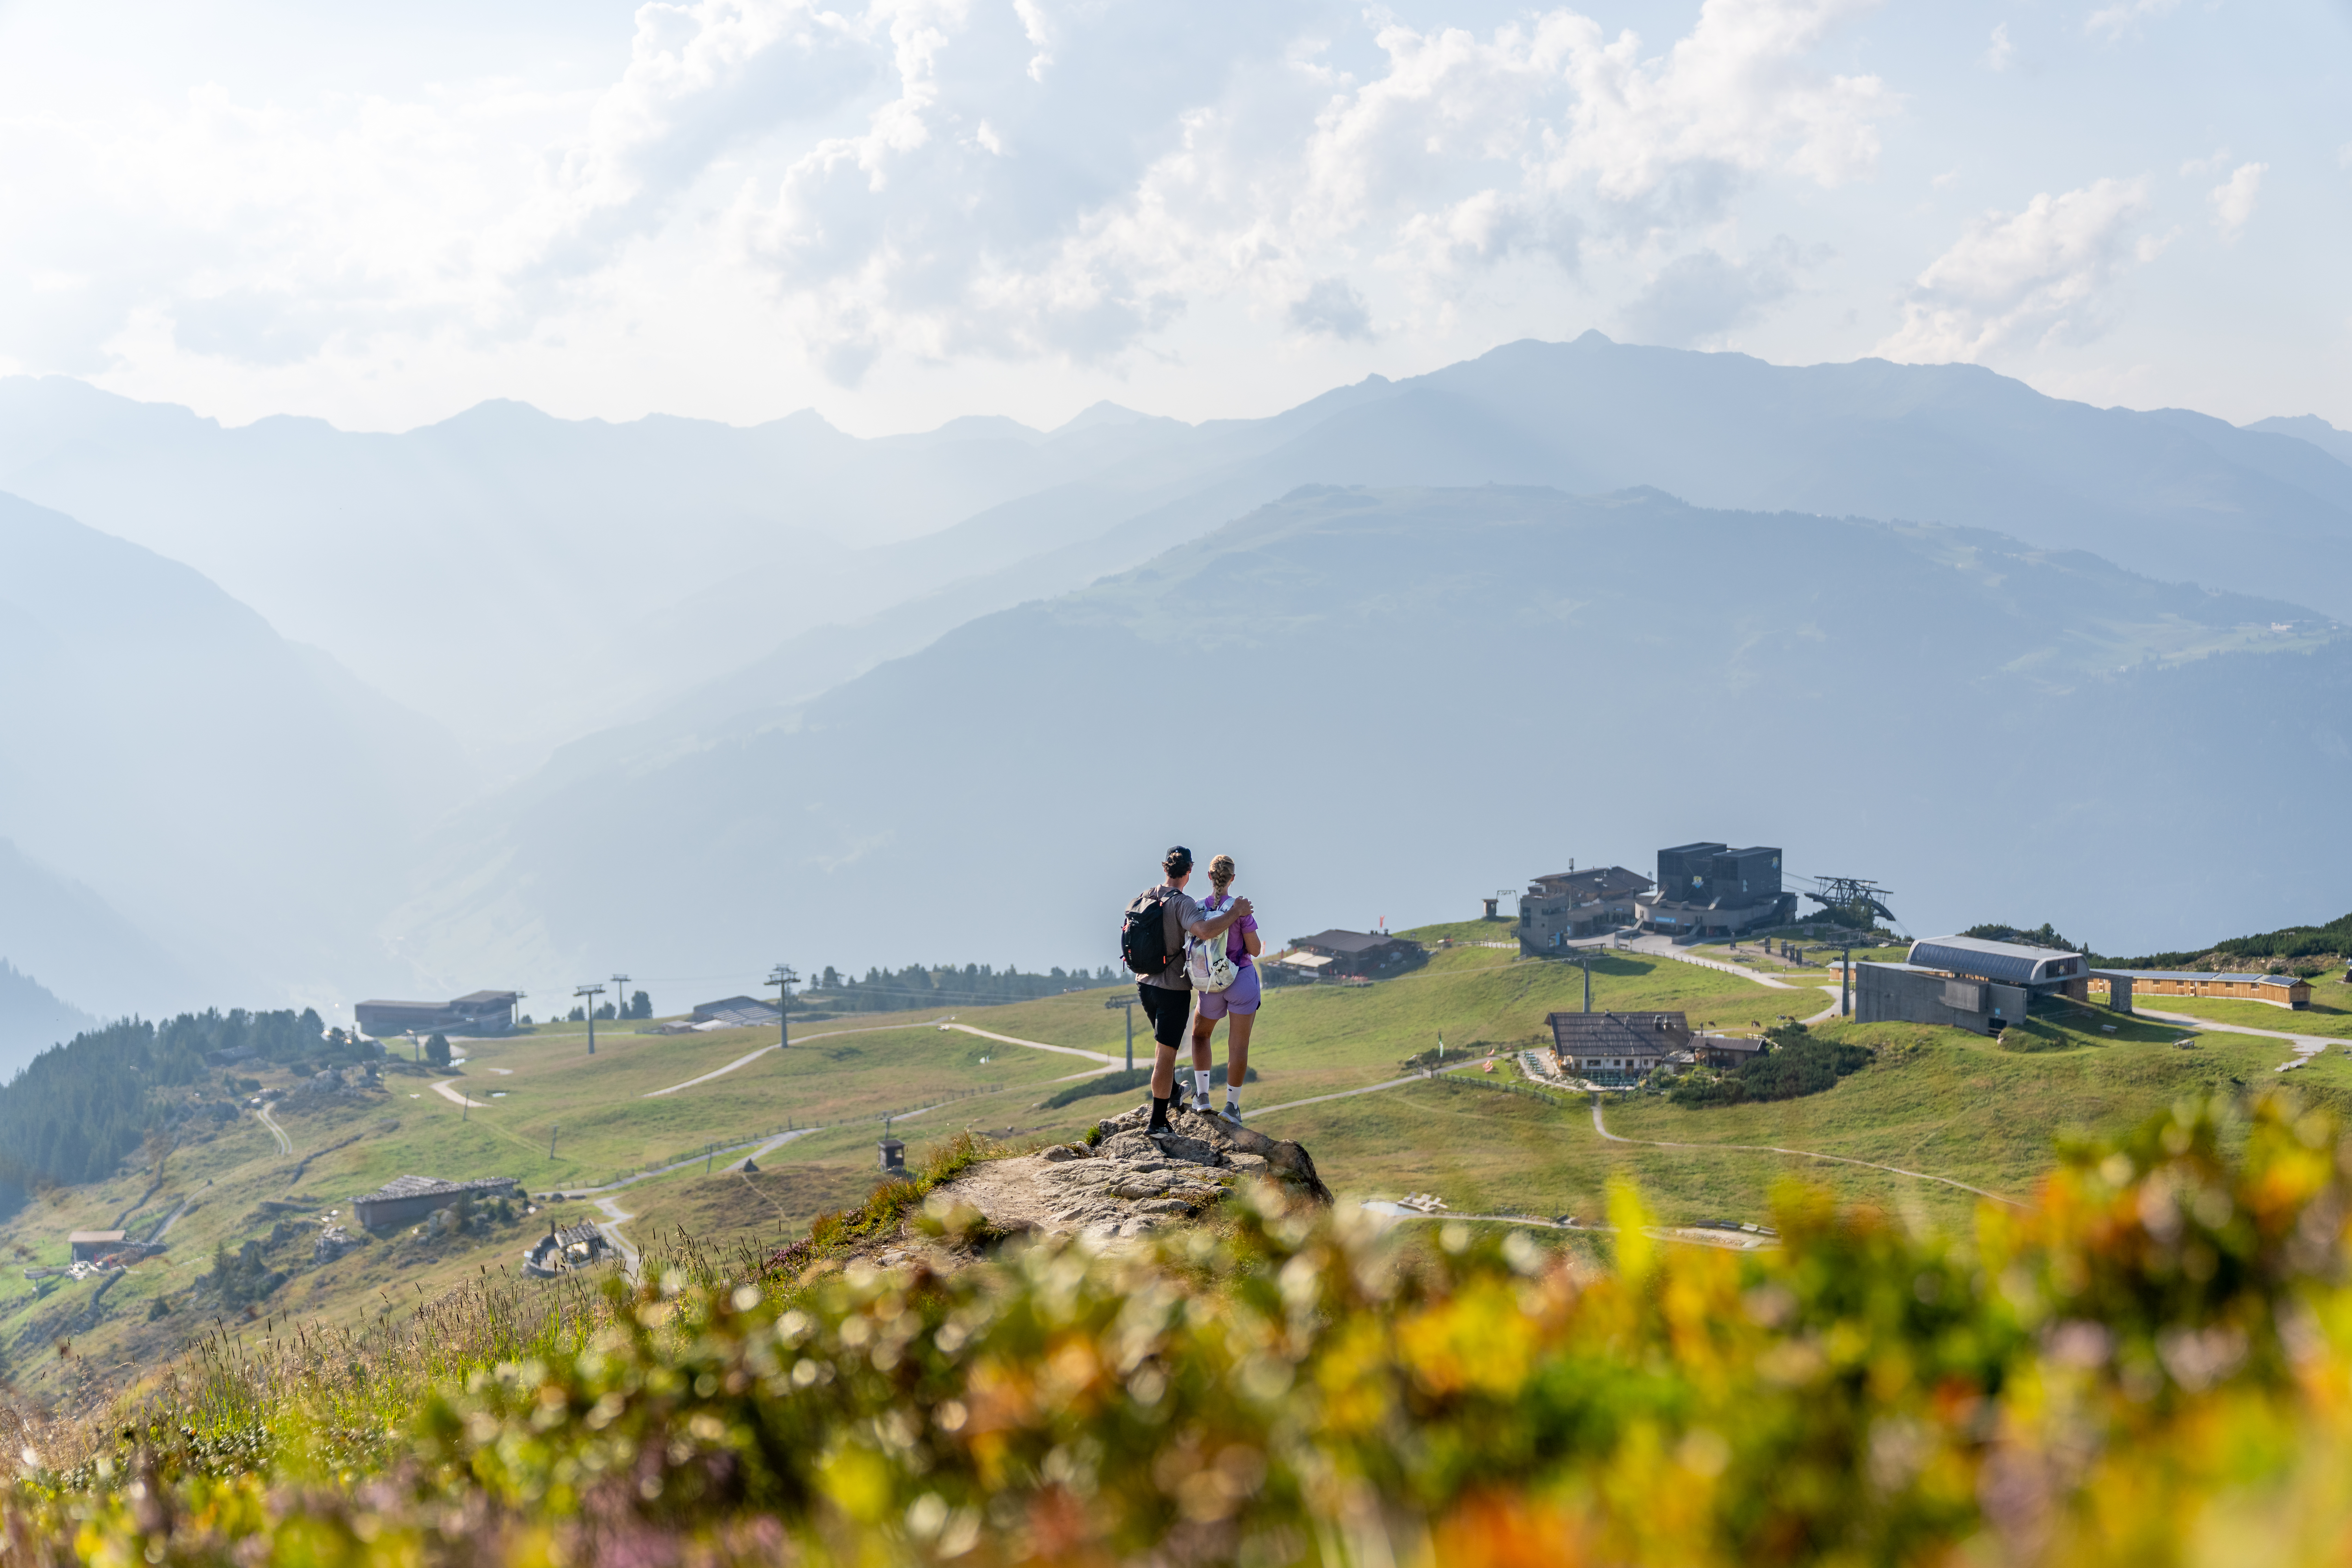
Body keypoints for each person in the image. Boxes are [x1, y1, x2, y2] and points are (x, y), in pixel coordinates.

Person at [1129, 846, 1251, 1135]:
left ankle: (1173, 1090)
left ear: (1165, 869)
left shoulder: (1146, 896)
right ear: (1190, 871)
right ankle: (1158, 1123)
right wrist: (1235, 912)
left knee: (1163, 1044)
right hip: (1172, 989)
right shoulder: (1183, 903)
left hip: (1143, 983)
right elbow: (1206, 932)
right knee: (1166, 1055)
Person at [1190, 853, 1261, 1121]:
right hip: (1240, 977)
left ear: (1209, 877)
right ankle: (1232, 1107)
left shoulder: (1198, 908)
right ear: (1232, 878)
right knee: (1239, 1046)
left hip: (1210, 983)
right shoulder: (1240, 909)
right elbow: (1254, 949)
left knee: (1200, 1036)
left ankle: (1203, 1096)